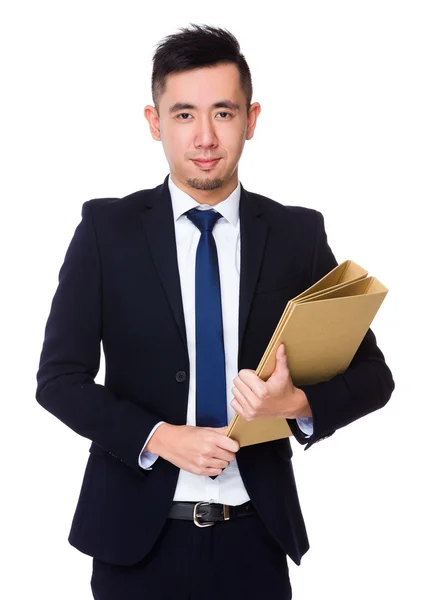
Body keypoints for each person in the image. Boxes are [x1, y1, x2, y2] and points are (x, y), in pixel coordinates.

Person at [35, 23, 395, 600]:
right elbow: (58, 381)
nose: (204, 136)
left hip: (255, 539)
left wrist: (295, 404)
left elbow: (375, 377)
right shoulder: (107, 231)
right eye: (183, 115)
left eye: (223, 113)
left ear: (251, 119)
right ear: (155, 124)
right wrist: (158, 437)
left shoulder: (296, 235)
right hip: (135, 544)